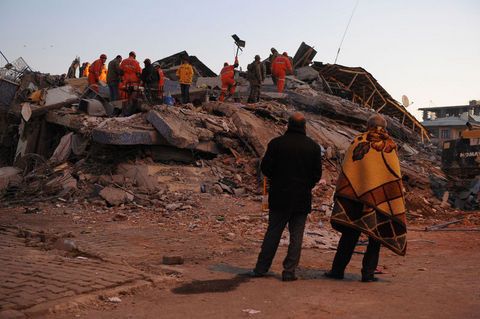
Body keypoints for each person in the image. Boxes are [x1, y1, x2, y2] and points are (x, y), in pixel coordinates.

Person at [325, 114, 407, 282]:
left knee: (349, 235)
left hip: (355, 197)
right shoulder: (390, 145)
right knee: (374, 238)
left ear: (367, 125)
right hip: (379, 201)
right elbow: (394, 176)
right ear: (385, 127)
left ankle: (337, 271)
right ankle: (368, 274)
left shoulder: (358, 141)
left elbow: (348, 169)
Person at [251, 112, 322, 281]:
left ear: (288, 125)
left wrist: (278, 179)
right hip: (302, 198)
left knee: (273, 233)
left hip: (279, 196)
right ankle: (289, 271)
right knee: (296, 237)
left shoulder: (276, 144)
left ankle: (261, 268)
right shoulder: (313, 146)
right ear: (304, 127)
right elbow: (317, 174)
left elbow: (266, 169)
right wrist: (306, 185)